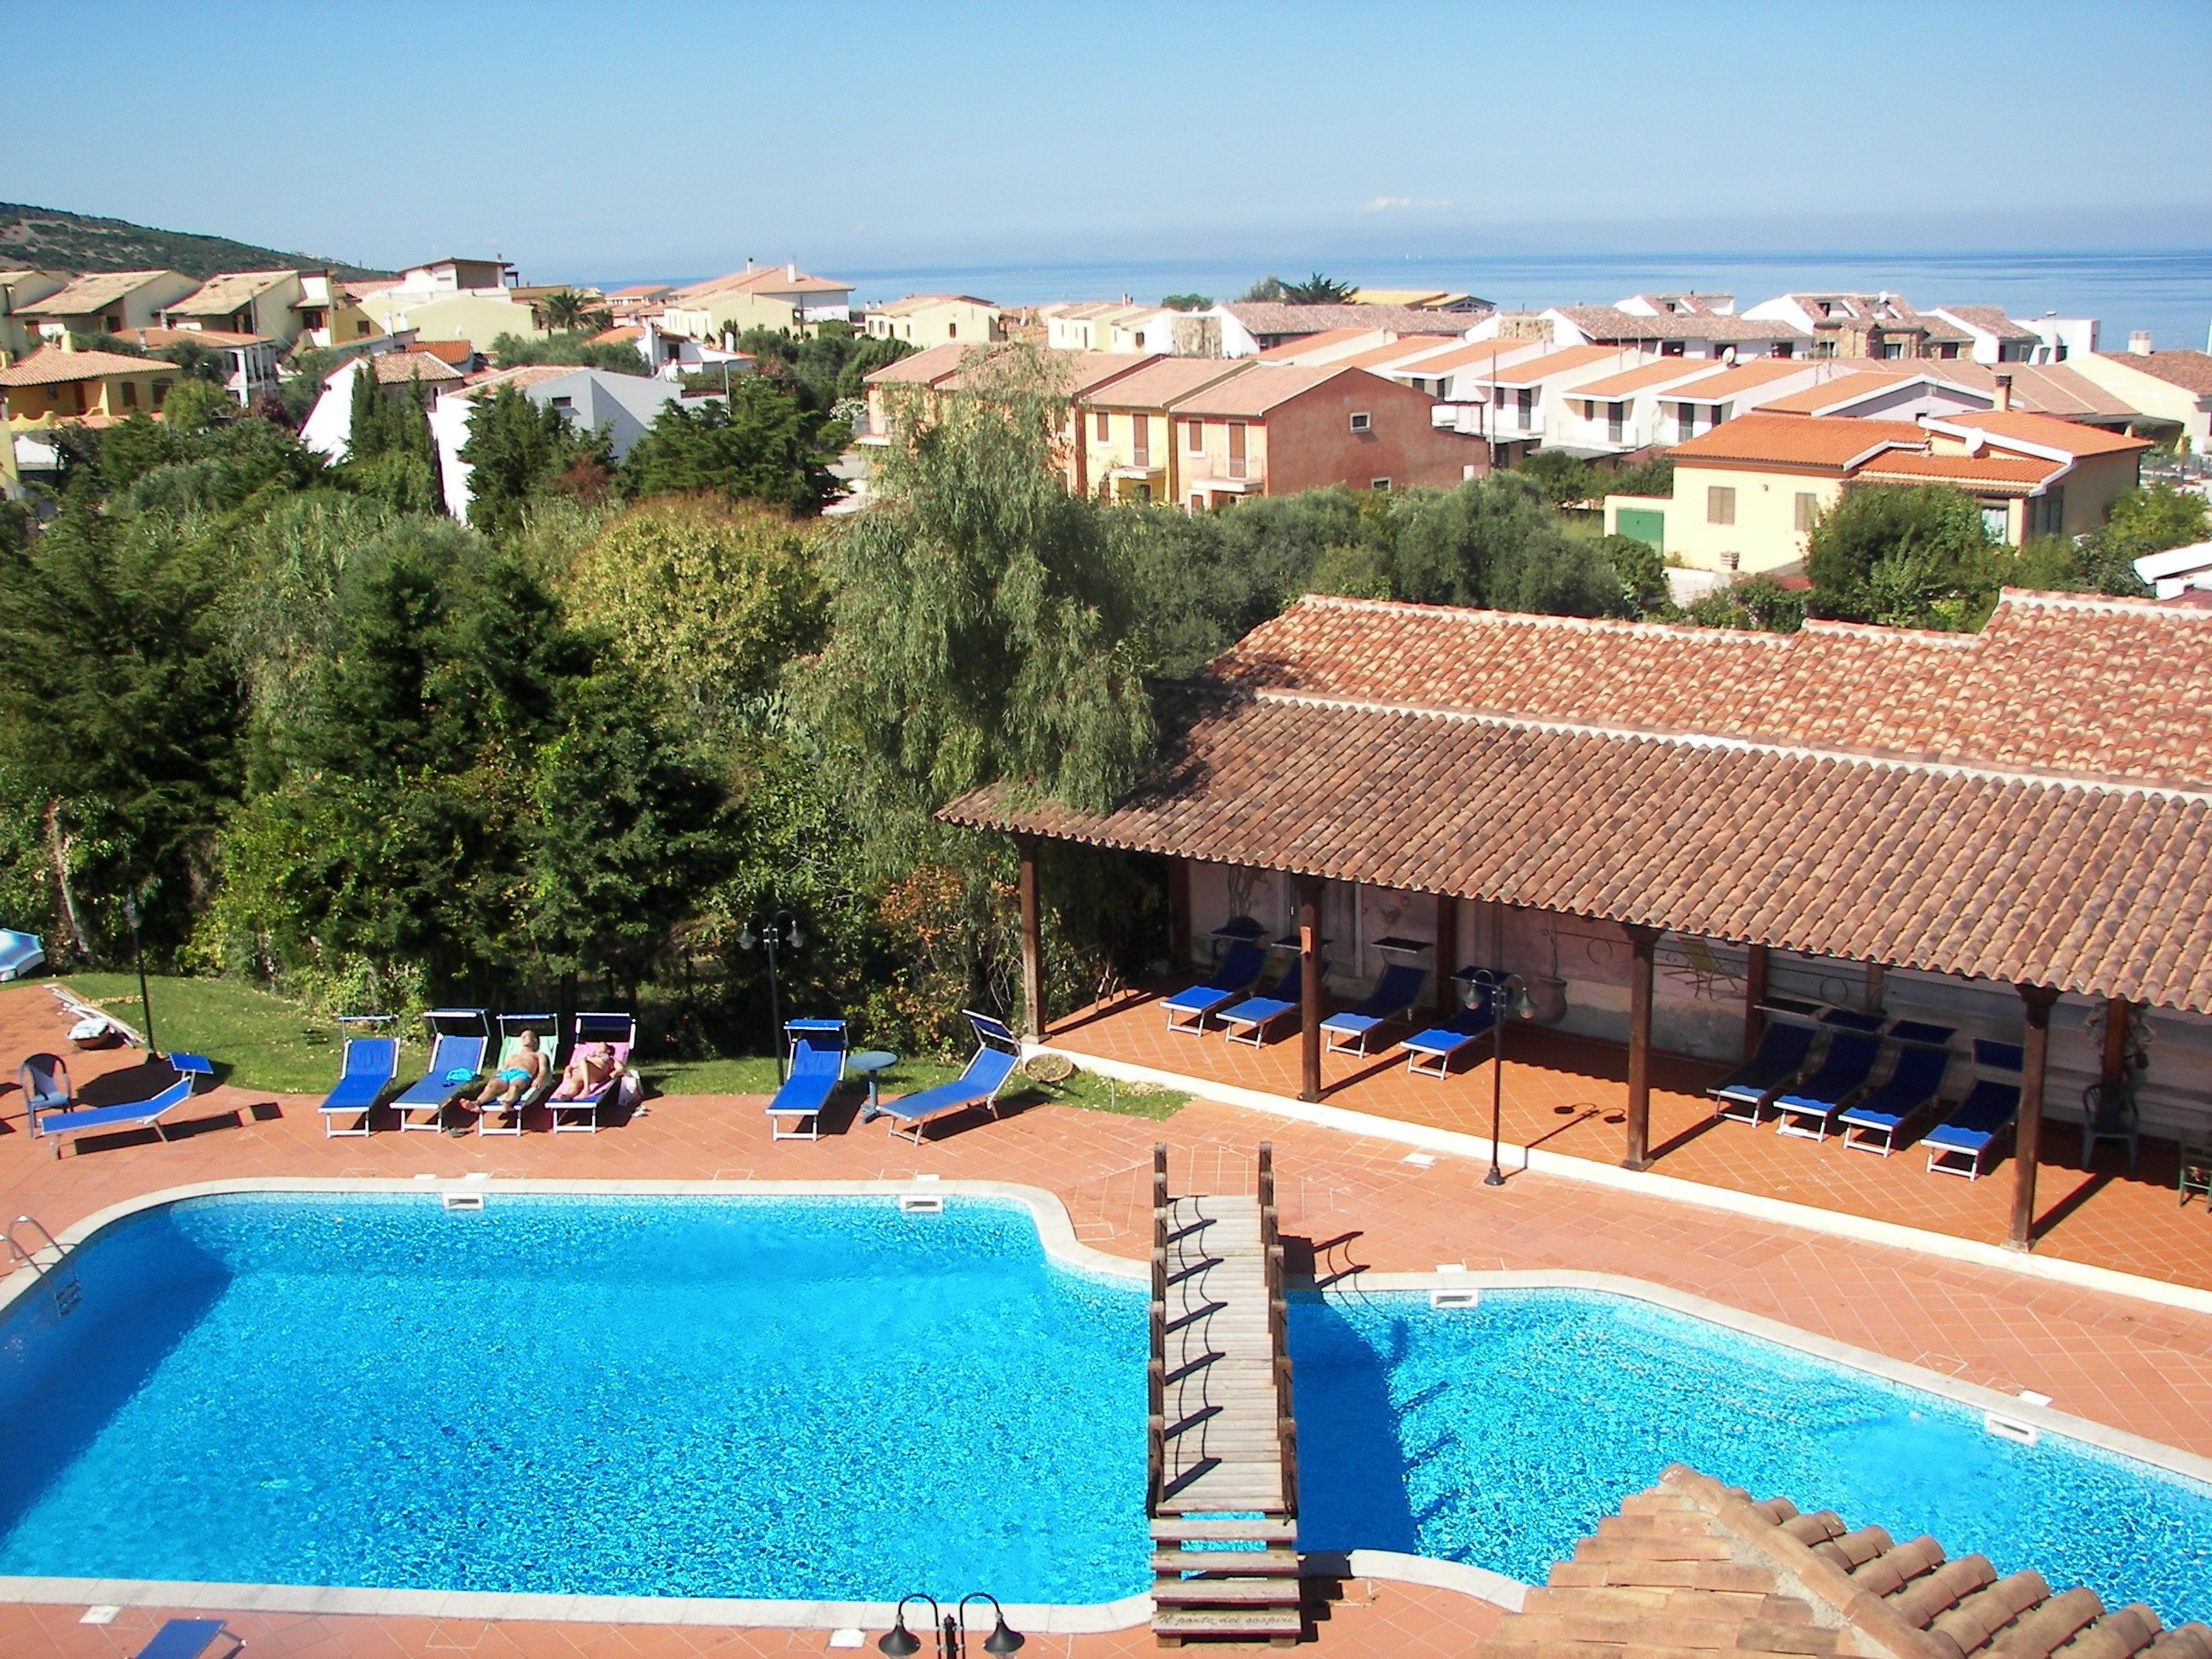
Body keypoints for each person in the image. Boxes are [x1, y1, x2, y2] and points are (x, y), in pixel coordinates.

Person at [471, 1029, 546, 1121]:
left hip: (522, 1074)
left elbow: (543, 1069)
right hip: (506, 1074)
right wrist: (494, 1077)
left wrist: (539, 1079)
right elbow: (502, 1069)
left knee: (514, 1087)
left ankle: (508, 1102)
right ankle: (477, 1103)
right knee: (492, 1086)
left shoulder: (538, 1055)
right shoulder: (513, 1056)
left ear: (534, 1040)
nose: (523, 1038)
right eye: (522, 1037)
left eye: (527, 1036)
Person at [550, 1040, 615, 1101]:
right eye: (597, 1046)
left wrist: (614, 1073)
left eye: (601, 1046)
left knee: (583, 1062)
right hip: (585, 1072)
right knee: (574, 1083)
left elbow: (621, 1068)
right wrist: (567, 1071)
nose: (598, 1047)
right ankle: (568, 1096)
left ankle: (586, 1089)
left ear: (608, 1050)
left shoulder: (609, 1059)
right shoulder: (590, 1057)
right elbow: (571, 1066)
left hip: (598, 1073)